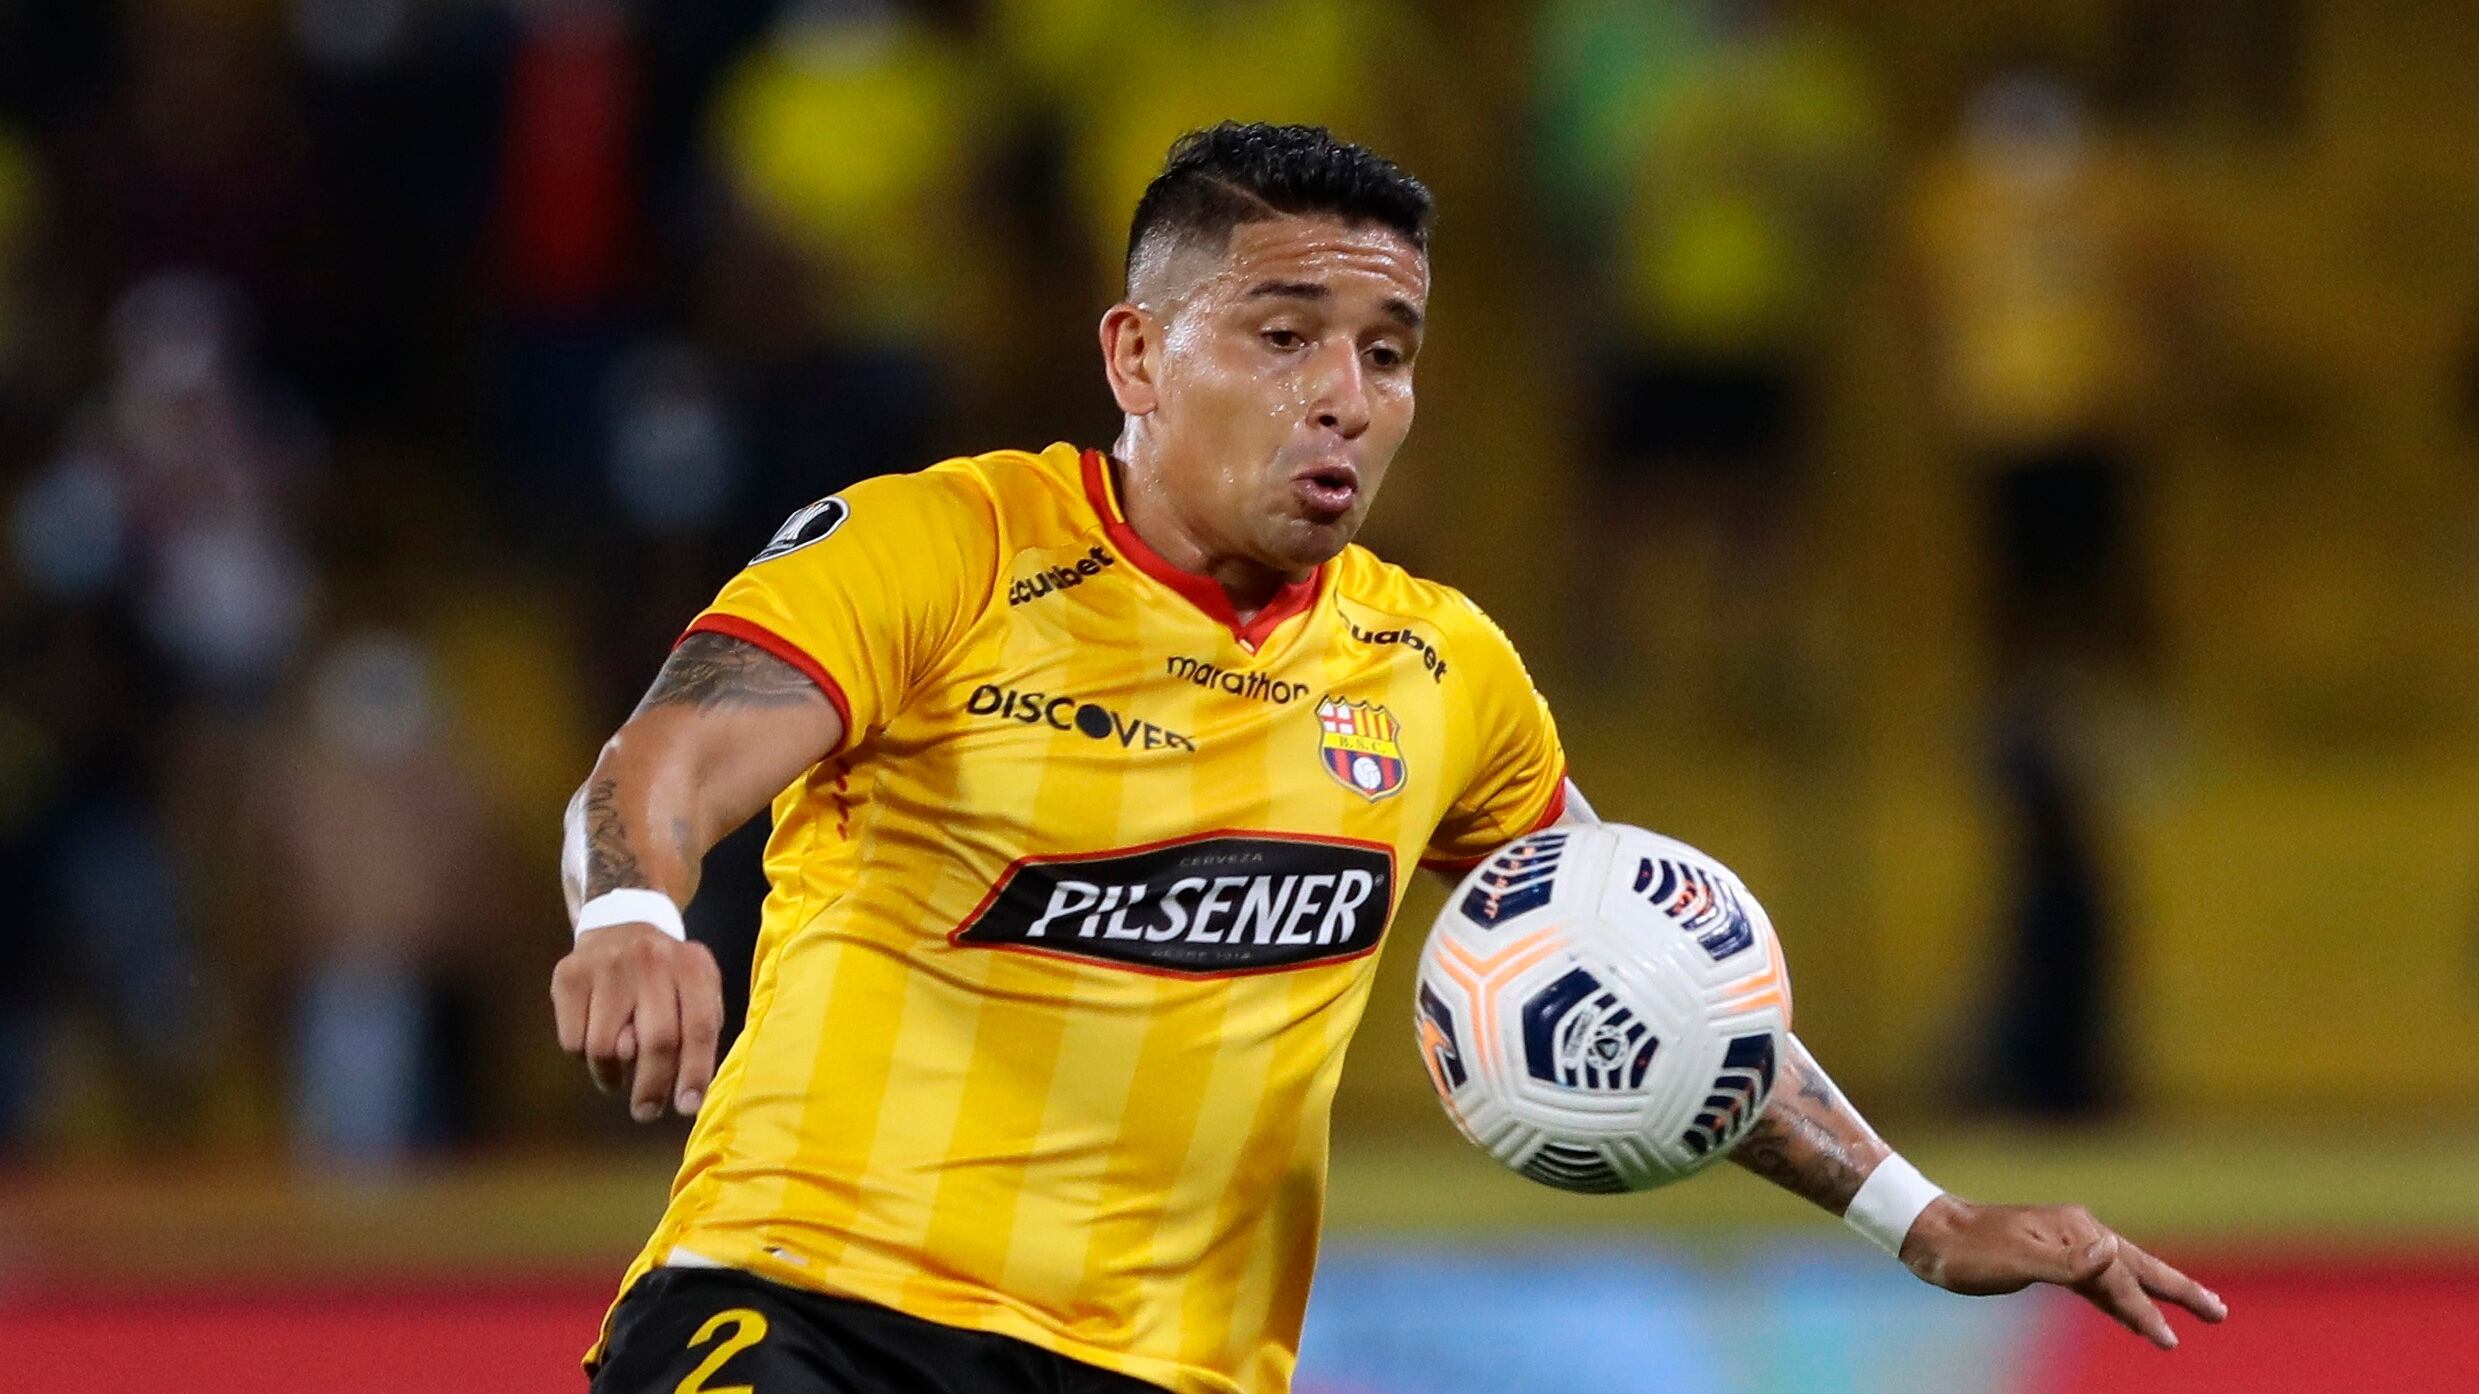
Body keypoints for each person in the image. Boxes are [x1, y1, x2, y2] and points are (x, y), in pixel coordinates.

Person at [552, 122, 2225, 1394]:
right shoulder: (949, 546)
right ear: (1136, 357)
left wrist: (1918, 1216)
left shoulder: (1442, 673)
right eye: (1284, 336)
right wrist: (630, 915)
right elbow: (664, 763)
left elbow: (1650, 981)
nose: (1345, 395)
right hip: (814, 1306)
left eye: (1388, 349)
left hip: (1173, 1369)